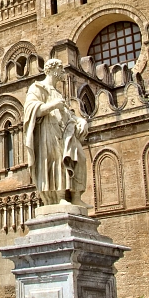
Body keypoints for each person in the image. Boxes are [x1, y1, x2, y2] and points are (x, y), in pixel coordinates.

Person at [23, 59, 88, 206]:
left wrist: (81, 121)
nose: (63, 72)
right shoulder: (37, 87)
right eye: (61, 69)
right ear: (52, 70)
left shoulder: (58, 93)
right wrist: (52, 105)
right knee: (57, 161)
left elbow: (67, 113)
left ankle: (76, 197)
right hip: (48, 130)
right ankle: (60, 197)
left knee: (80, 158)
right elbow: (31, 110)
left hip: (65, 131)